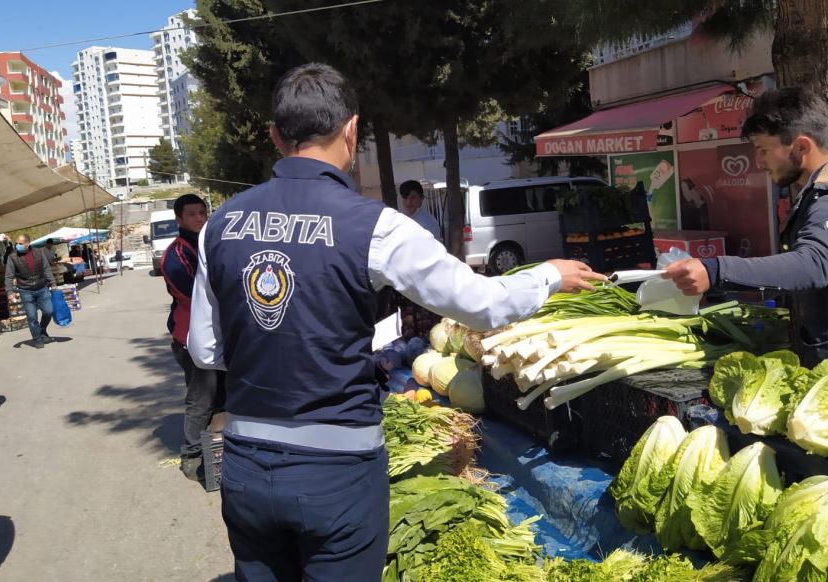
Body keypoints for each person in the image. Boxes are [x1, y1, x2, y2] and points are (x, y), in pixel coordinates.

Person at [188, 63, 601, 581]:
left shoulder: (218, 225)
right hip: (336, 472)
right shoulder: (377, 226)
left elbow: (206, 350)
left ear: (275, 136)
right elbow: (481, 303)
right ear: (352, 130)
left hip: (246, 463)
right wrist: (548, 275)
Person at [664, 87, 828, 368]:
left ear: (801, 146)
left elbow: (813, 265)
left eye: (763, 150)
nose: (759, 162)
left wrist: (716, 270)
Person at [161, 193, 226, 481]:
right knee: (202, 399)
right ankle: (191, 455)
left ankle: (221, 450)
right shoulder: (176, 255)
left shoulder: (210, 245)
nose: (200, 219)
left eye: (203, 213)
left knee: (224, 395)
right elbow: (196, 296)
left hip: (221, 335)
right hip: (192, 339)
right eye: (192, 215)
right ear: (179, 219)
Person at [5, 234, 56, 349]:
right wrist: (9, 292)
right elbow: (9, 276)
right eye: (16, 243)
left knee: (49, 311)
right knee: (32, 316)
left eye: (20, 243)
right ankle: (37, 339)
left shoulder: (39, 252)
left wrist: (52, 283)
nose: (17, 245)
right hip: (25, 290)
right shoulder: (12, 257)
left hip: (42, 287)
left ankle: (42, 330)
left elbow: (46, 268)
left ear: (28, 243)